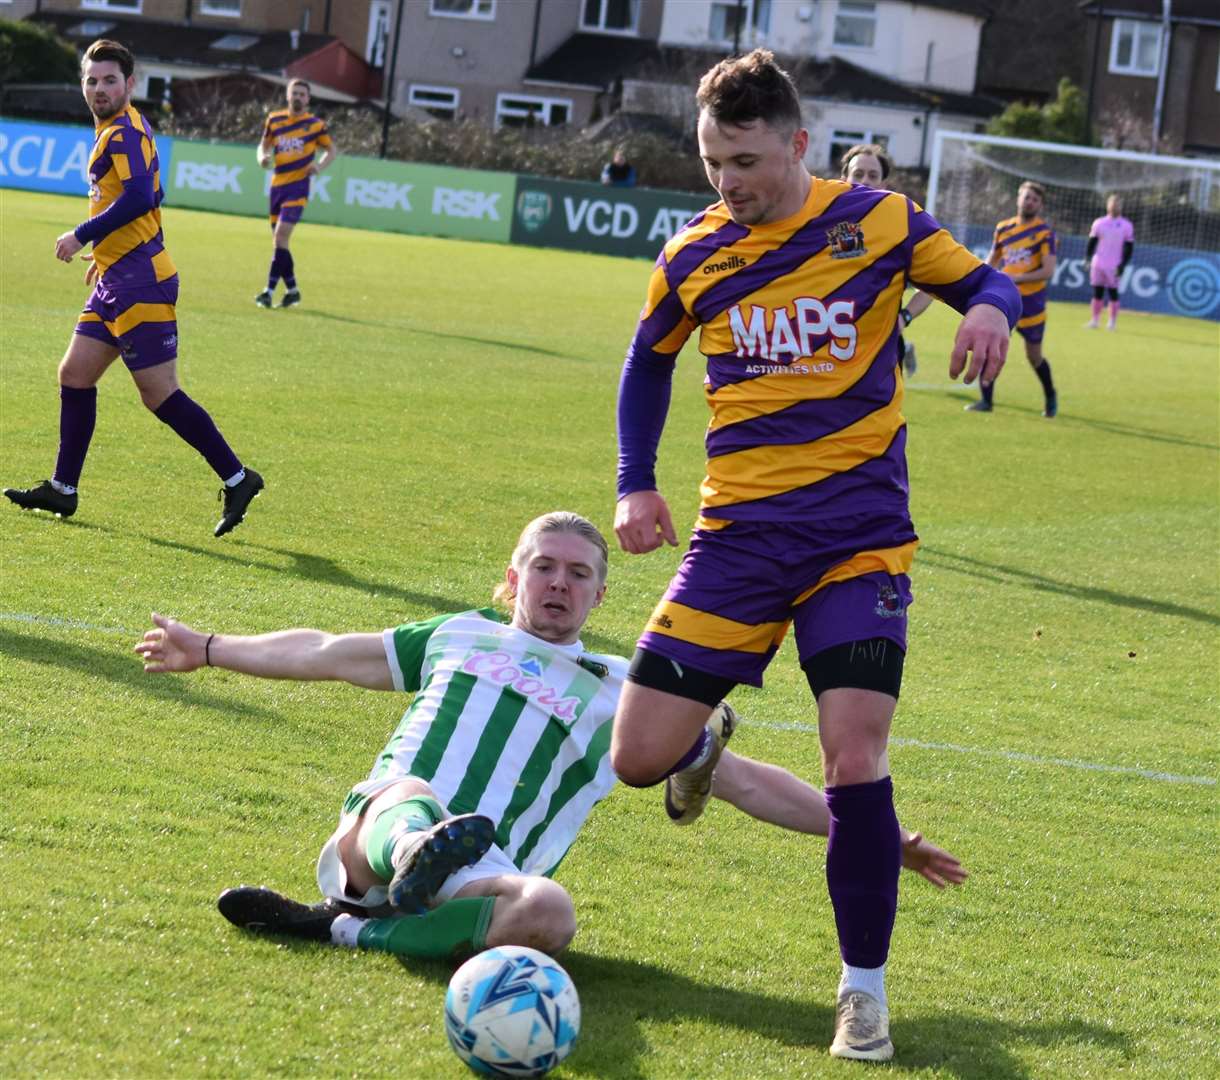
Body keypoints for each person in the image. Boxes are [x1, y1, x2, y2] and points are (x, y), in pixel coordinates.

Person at [608, 49, 1016, 1063]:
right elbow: (645, 362)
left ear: (797, 143)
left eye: (742, 159)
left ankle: (860, 994)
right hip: (735, 542)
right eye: (710, 162)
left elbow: (986, 278)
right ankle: (702, 746)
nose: (727, 182)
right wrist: (633, 479)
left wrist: (982, 308)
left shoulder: (876, 220)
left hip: (856, 542)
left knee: (853, 753)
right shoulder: (691, 256)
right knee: (636, 758)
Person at [134, 512, 965, 965]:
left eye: (578, 574)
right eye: (544, 567)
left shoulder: (622, 694)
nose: (559, 584)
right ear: (511, 579)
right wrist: (206, 648)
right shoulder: (458, 634)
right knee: (411, 795)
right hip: (375, 833)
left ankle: (345, 929)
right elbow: (324, 652)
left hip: (486, 883)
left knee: (550, 913)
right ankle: (412, 857)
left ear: (601, 598)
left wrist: (879, 836)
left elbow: (745, 782)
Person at [3, 39, 264, 538]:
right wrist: (104, 255)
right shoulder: (125, 127)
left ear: (130, 83)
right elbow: (152, 195)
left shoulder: (122, 131)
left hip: (140, 281)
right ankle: (63, 488)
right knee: (75, 374)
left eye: (109, 80)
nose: (99, 89)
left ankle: (237, 478)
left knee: (159, 394)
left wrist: (83, 235)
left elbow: (143, 196)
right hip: (119, 275)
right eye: (91, 80)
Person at [839, 143, 933, 377]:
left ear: (883, 185)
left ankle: (906, 346)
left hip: (881, 354)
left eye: (873, 175)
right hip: (827, 349)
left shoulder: (900, 229)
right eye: (858, 174)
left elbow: (931, 286)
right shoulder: (820, 225)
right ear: (843, 179)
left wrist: (905, 317)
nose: (865, 181)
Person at [969, 180, 1059, 416]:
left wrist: (1015, 279)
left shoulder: (1045, 233)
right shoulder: (1003, 228)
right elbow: (992, 261)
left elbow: (1048, 271)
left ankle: (1050, 396)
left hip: (1032, 303)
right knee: (992, 348)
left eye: (1034, 199)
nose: (1029, 202)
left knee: (1034, 356)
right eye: (1026, 197)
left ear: (1040, 205)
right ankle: (986, 401)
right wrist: (979, 282)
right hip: (1005, 300)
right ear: (1018, 198)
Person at [254, 78, 337, 309]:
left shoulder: (315, 125)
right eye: (295, 93)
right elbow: (264, 145)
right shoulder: (274, 119)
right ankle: (292, 290)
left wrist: (319, 166)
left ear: (308, 99)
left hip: (298, 188)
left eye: (302, 94)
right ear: (288, 96)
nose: (298, 97)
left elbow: (331, 150)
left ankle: (268, 292)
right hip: (277, 187)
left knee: (280, 237)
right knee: (279, 243)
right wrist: (262, 157)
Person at [1085, 194, 1134, 330]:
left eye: (1117, 204)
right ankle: (1095, 320)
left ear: (1121, 206)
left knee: (1113, 293)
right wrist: (1087, 258)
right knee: (1097, 292)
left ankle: (1112, 322)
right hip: (1098, 263)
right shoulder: (1099, 223)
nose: (1114, 206)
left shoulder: (1126, 225)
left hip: (1114, 265)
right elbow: (1092, 242)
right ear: (1108, 205)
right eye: (1112, 203)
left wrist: (1123, 264)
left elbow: (1129, 247)